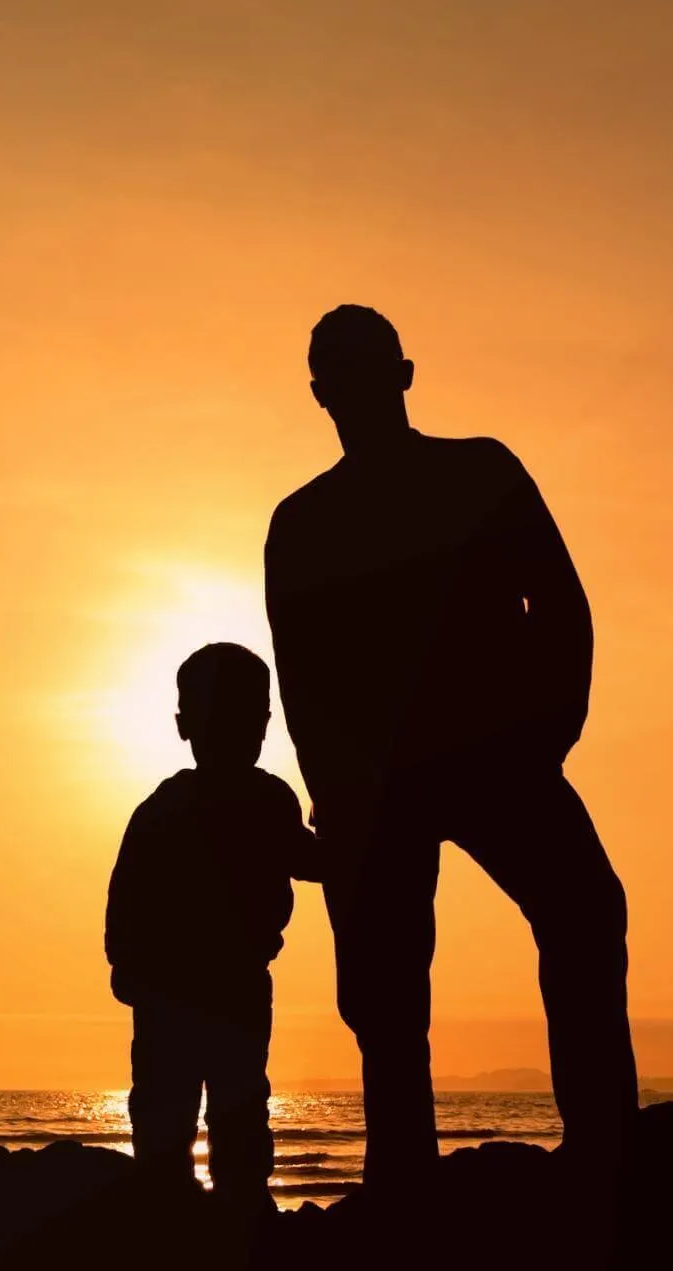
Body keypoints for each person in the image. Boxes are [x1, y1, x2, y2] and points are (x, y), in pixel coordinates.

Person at [266, 304, 636, 1189]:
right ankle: (408, 1178)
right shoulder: (306, 522)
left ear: (401, 376)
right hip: (388, 779)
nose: (352, 391)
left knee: (583, 915)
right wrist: (342, 800)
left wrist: (554, 726)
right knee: (388, 994)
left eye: (364, 372)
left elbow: (559, 603)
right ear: (322, 394)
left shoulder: (477, 473)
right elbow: (303, 679)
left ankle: (603, 1149)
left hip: (496, 756)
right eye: (339, 378)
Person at [104, 642, 320, 1205]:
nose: (238, 731)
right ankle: (196, 1205)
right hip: (185, 988)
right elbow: (127, 895)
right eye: (225, 716)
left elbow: (308, 859)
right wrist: (126, 964)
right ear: (184, 725)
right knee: (185, 1106)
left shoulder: (261, 802)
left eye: (247, 717)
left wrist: (125, 965)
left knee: (225, 1105)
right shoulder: (174, 809)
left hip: (219, 986)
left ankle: (225, 1206)